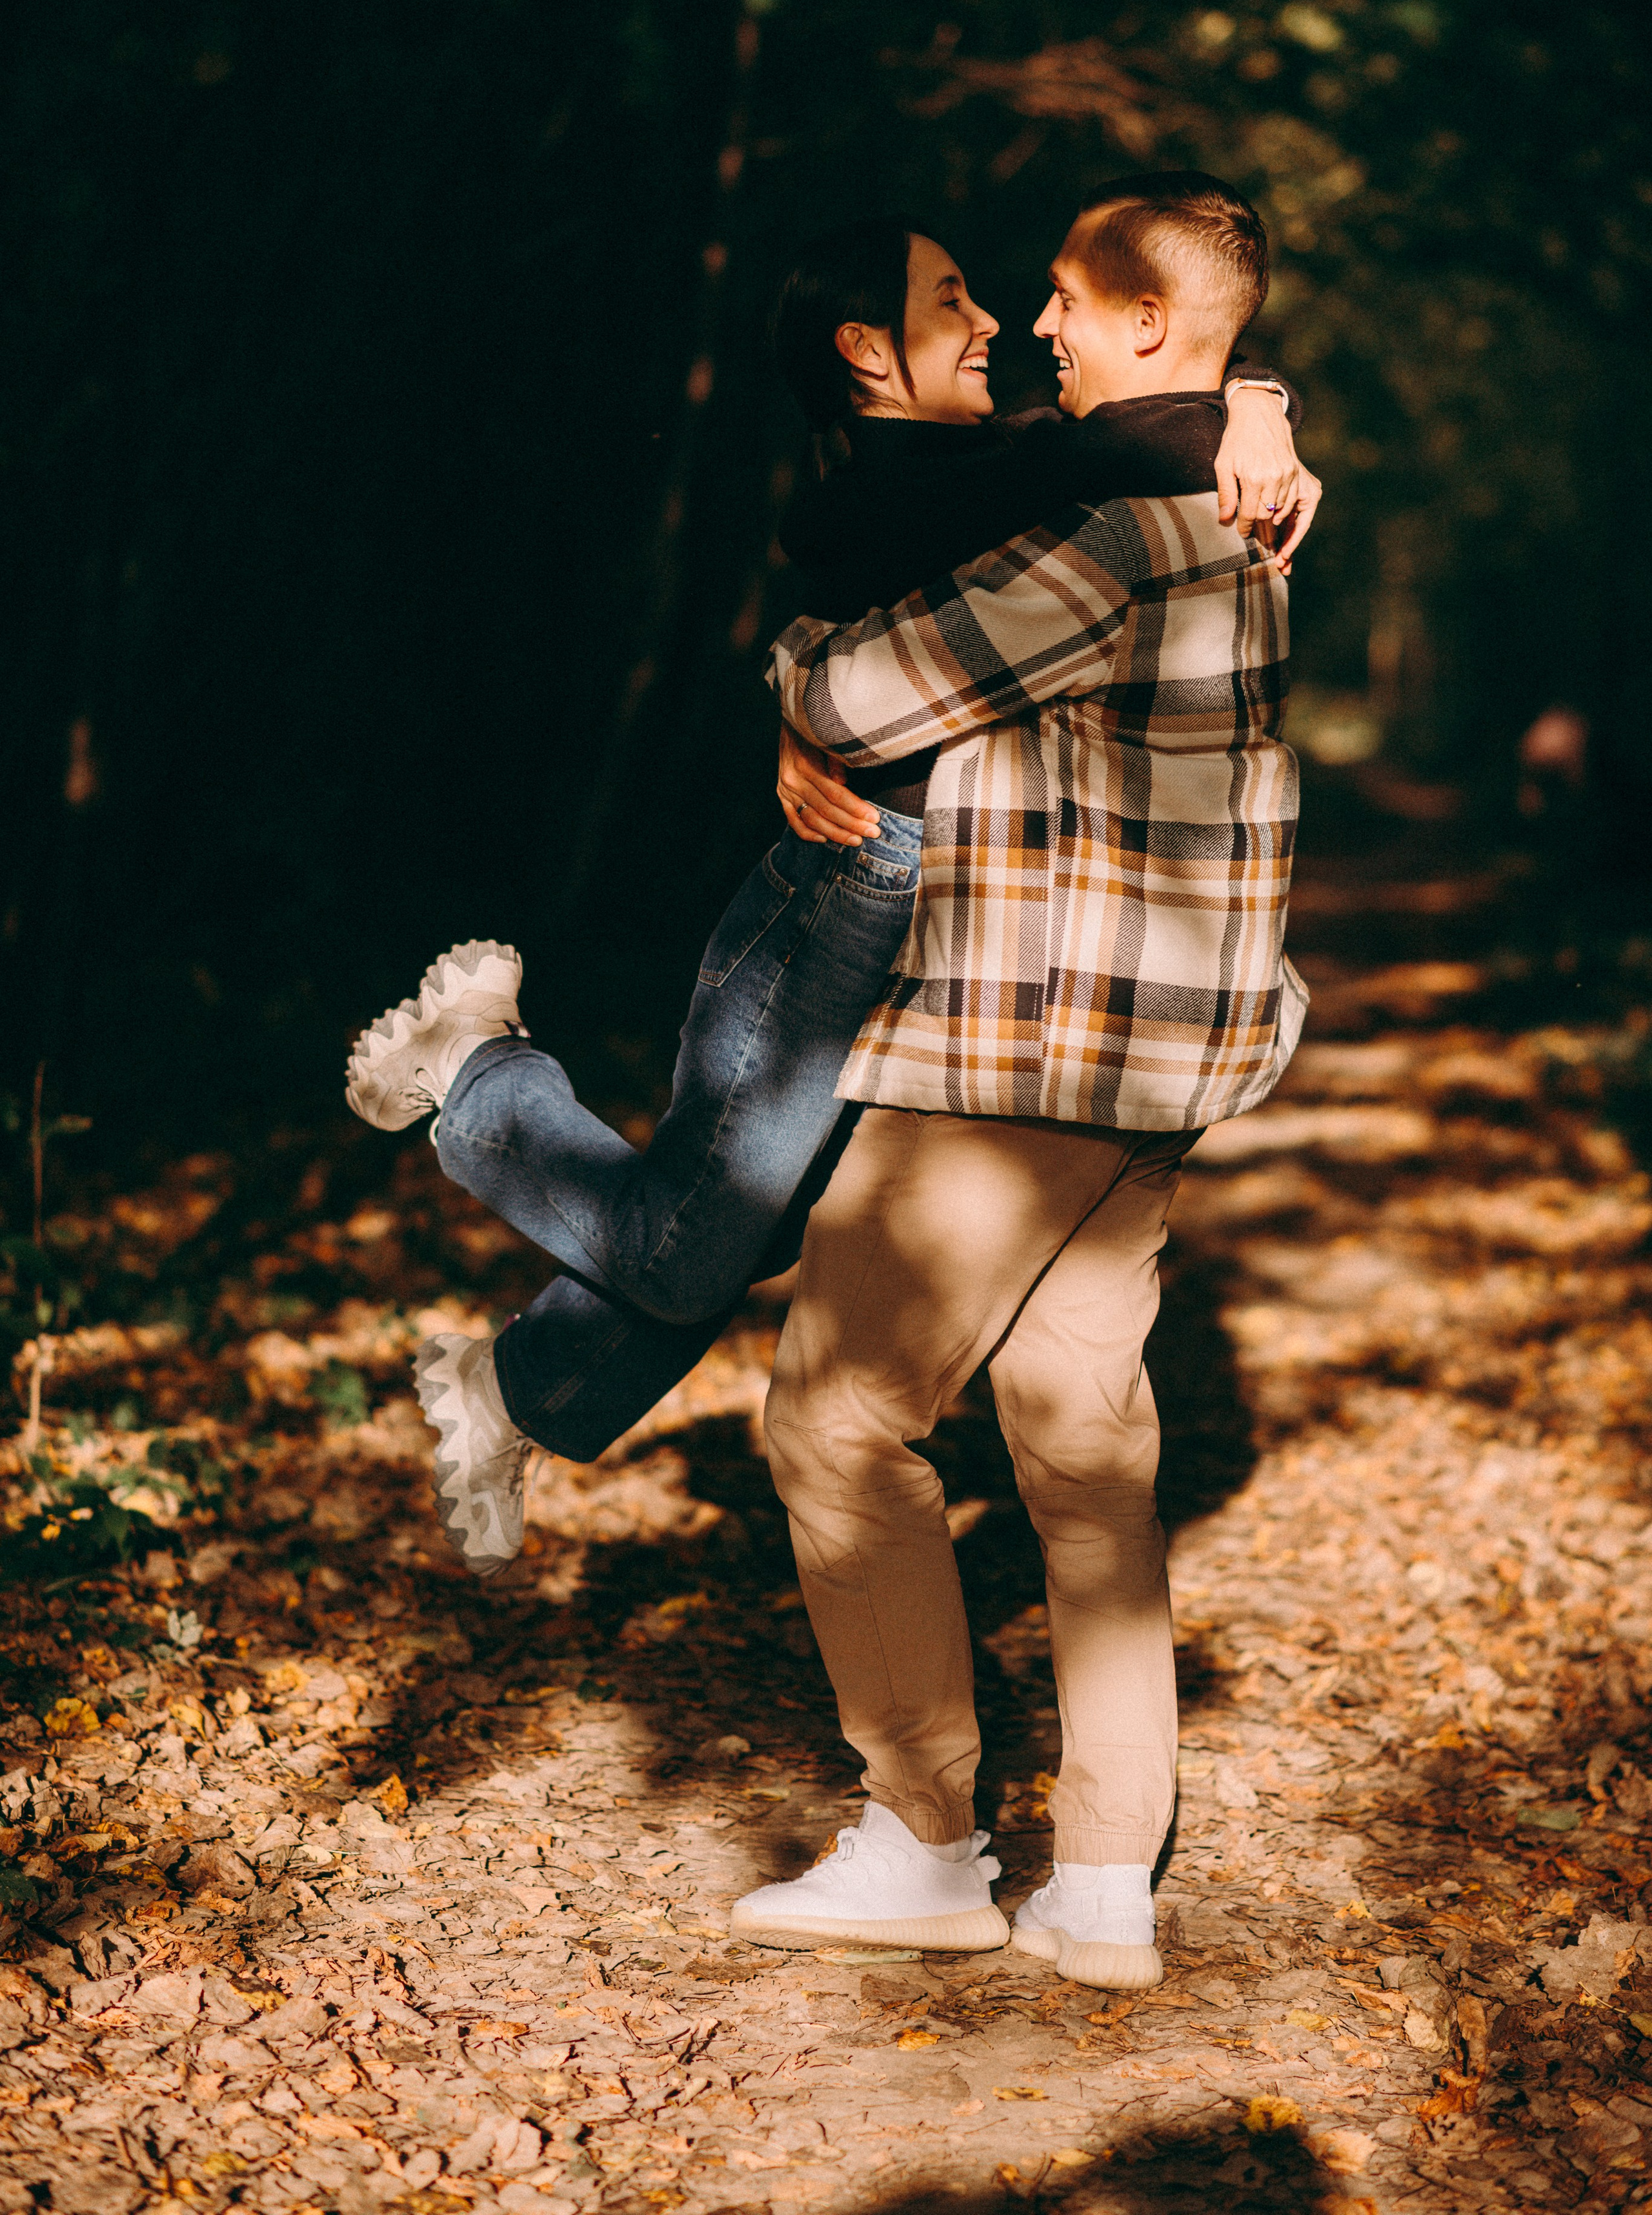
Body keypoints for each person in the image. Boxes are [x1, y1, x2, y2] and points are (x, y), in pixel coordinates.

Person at [342, 209, 1315, 1579]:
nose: (999, 324)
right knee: (701, 1236)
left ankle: (514, 1387)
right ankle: (485, 1084)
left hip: (940, 908)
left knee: (766, 1218)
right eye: (954, 300)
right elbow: (1107, 459)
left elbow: (1127, 431)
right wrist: (1236, 421)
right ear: (867, 350)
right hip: (852, 878)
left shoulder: (1004, 462)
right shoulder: (886, 488)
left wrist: (1248, 406)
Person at [727, 173, 1308, 1993]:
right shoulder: (1225, 504)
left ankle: (923, 1840)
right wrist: (1261, 396)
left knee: (831, 1415)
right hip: (1153, 1067)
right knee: (1080, 1446)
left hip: (1023, 1054)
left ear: (1145, 322)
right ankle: (1107, 1884)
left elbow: (868, 694)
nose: (1042, 327)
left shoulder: (1122, 542)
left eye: (1066, 295)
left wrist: (788, 689)